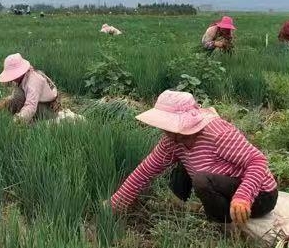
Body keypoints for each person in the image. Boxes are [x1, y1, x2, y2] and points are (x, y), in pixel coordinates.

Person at [109, 90, 278, 225]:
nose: (167, 132)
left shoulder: (218, 134)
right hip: (225, 187)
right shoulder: (172, 140)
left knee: (202, 180)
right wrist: (116, 203)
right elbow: (146, 170)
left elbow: (258, 161)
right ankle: (183, 204)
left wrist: (243, 196)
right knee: (185, 160)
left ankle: (223, 224)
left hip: (260, 195)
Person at [0, 53, 61, 123]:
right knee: (16, 95)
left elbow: (31, 106)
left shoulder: (33, 81)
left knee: (29, 120)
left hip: (46, 108)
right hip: (38, 103)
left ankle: (33, 122)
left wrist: (18, 120)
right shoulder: (24, 77)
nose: (12, 79)